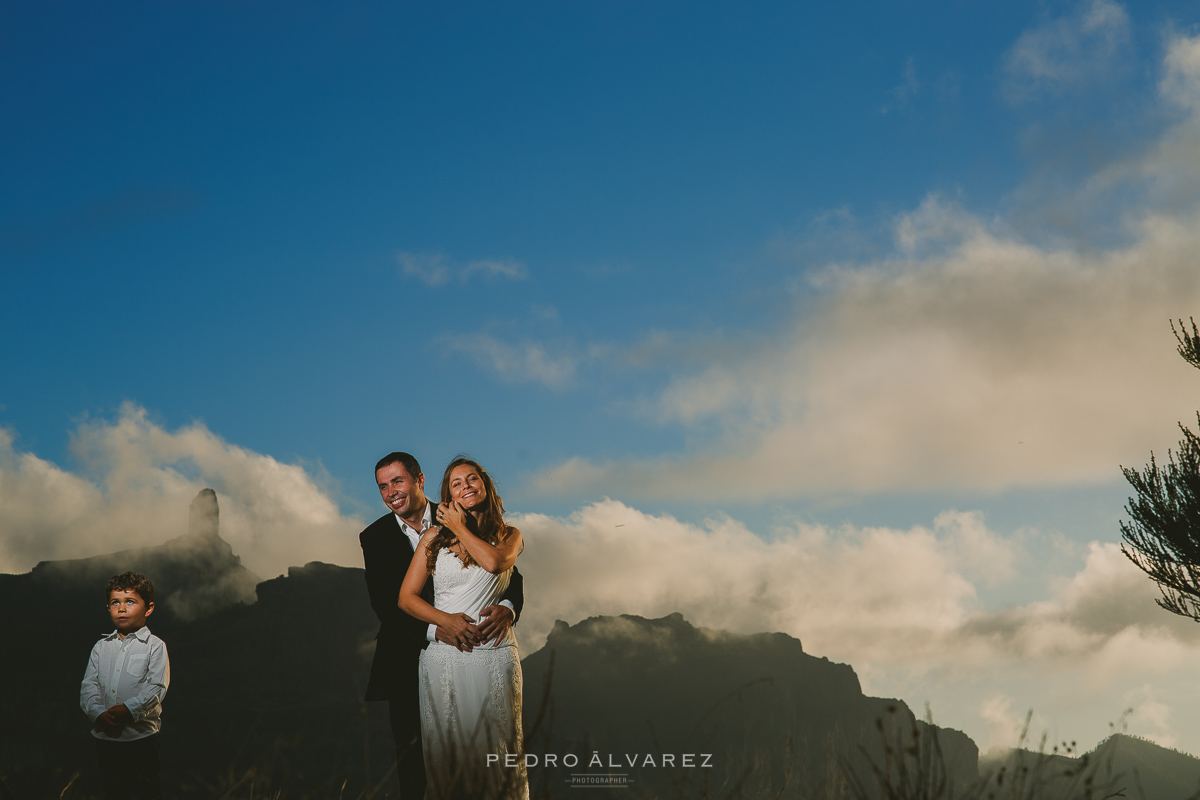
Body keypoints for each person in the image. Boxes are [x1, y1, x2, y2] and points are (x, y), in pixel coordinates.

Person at [360, 452, 524, 799]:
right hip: (413, 659)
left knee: (495, 754)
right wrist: (440, 628)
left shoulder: (459, 515)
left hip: (486, 652)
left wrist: (508, 607)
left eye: (398, 481)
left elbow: (509, 575)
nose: (391, 492)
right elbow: (388, 604)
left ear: (419, 481)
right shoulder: (374, 537)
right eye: (383, 486)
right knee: (420, 766)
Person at [79, 571, 171, 800]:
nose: (121, 608)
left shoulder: (155, 646)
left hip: (141, 739)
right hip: (105, 739)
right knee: (113, 791)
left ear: (148, 608)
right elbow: (89, 685)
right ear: (108, 607)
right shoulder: (101, 647)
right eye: (115, 602)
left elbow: (156, 687)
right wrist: (97, 712)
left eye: (130, 601)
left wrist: (128, 709)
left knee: (146, 792)